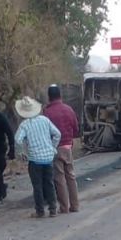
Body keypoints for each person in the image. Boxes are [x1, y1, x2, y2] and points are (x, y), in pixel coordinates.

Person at [14, 96, 61, 218]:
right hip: (48, 158)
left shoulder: (24, 125)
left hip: (35, 160)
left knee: (38, 186)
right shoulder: (45, 120)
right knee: (49, 184)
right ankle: (53, 209)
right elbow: (57, 134)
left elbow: (17, 139)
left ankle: (40, 211)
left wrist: (22, 152)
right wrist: (52, 148)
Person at [42, 84, 80, 214]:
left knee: (59, 178)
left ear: (49, 97)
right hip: (68, 147)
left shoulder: (47, 112)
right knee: (71, 176)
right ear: (60, 95)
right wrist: (70, 139)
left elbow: (45, 132)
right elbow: (76, 129)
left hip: (55, 148)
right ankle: (75, 205)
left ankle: (64, 207)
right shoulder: (69, 109)